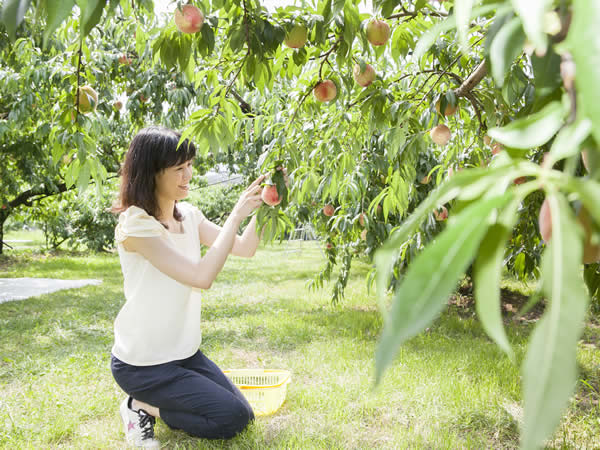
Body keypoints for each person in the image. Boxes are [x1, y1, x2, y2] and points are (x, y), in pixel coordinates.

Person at [110, 126, 265, 448]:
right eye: (178, 168)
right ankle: (139, 406)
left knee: (242, 416)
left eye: (190, 165)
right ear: (151, 172)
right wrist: (235, 214)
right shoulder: (136, 225)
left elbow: (244, 248)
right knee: (230, 418)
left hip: (184, 352)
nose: (188, 175)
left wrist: (266, 206)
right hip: (144, 364)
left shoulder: (189, 216)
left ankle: (145, 405)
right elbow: (200, 277)